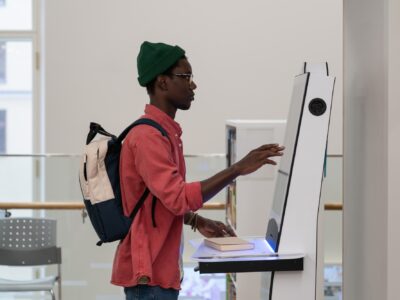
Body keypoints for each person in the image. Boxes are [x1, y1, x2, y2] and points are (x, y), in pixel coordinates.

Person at [111, 41, 284, 300]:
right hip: (149, 278)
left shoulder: (164, 133)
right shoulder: (148, 137)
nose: (193, 85)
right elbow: (179, 197)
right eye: (186, 76)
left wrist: (195, 220)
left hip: (160, 274)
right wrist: (237, 168)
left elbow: (161, 199)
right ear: (162, 82)